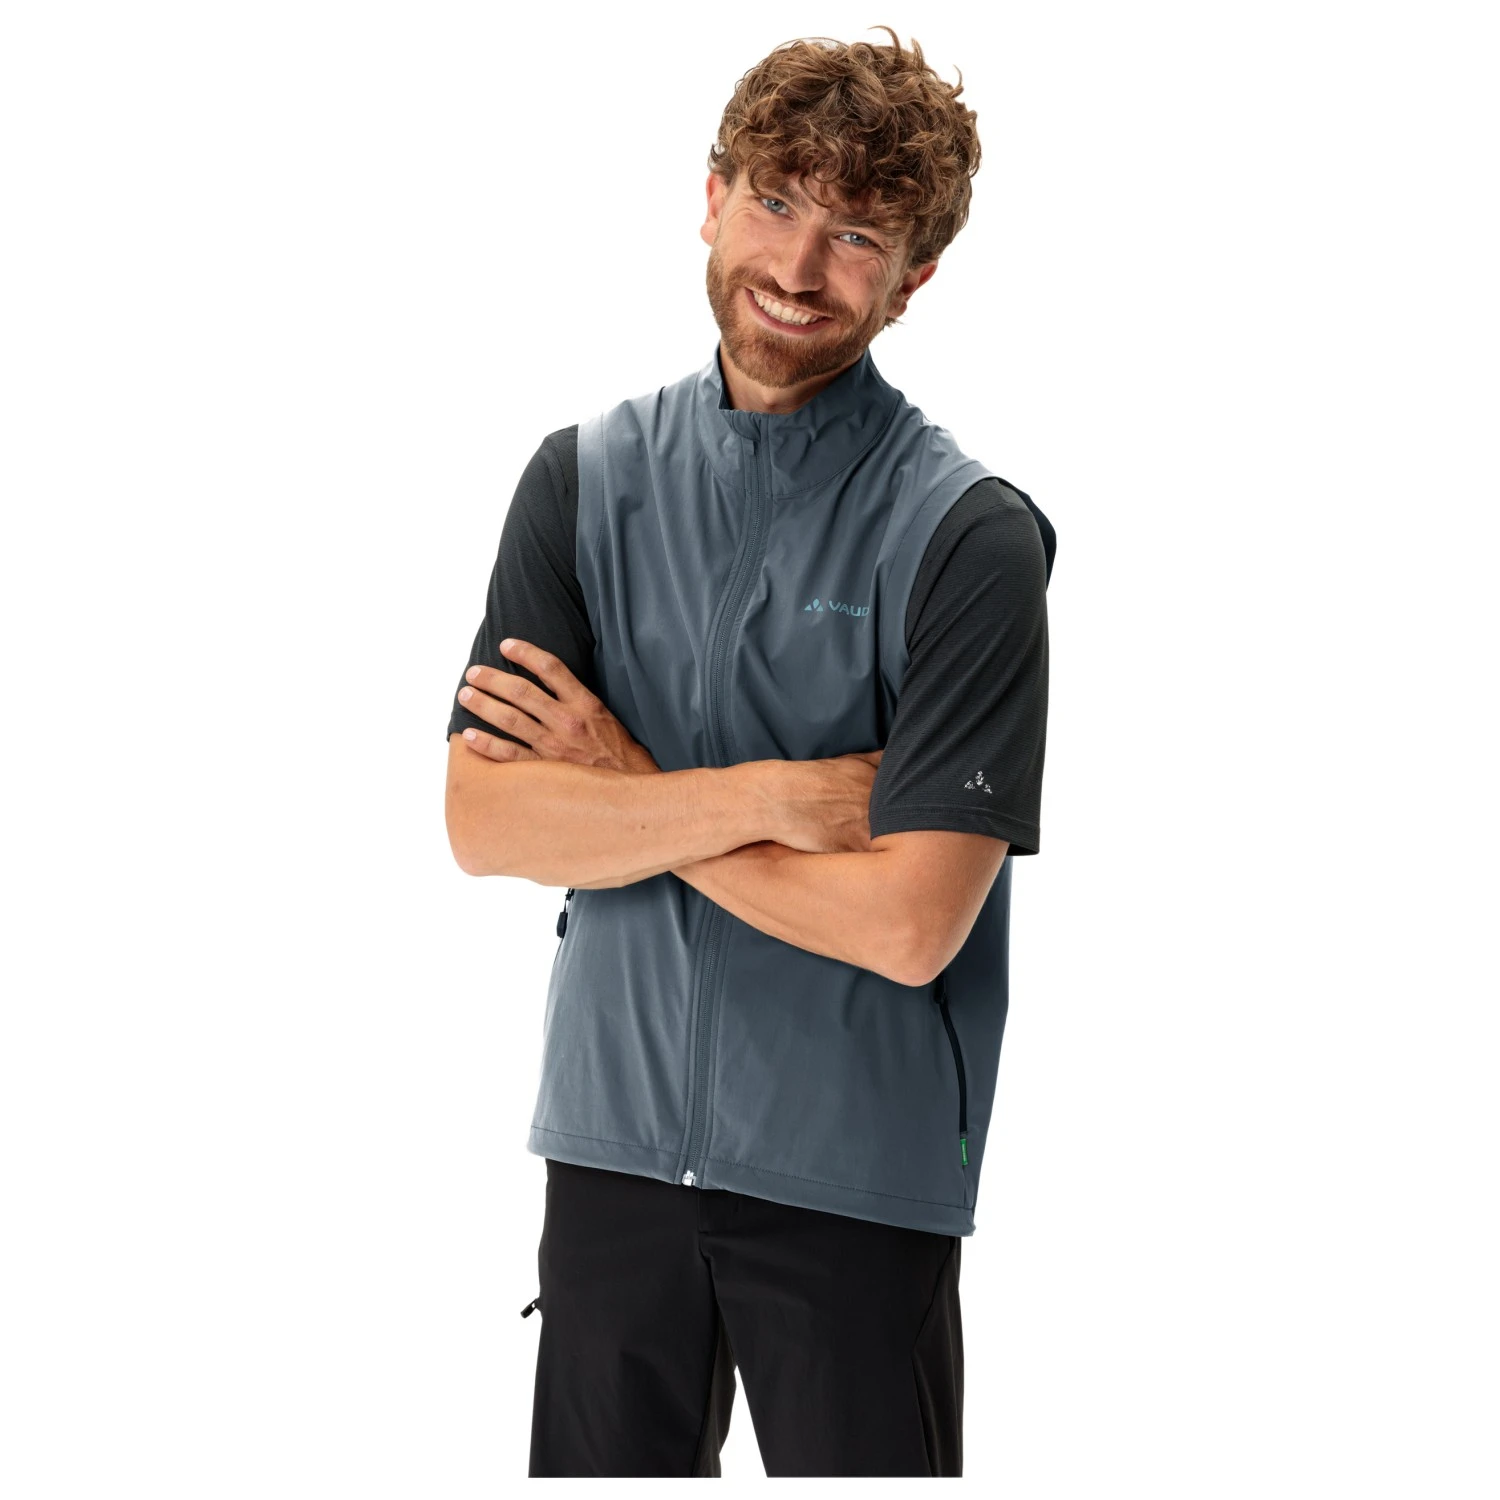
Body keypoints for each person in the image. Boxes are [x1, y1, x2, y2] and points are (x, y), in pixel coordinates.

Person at [443, 28, 1055, 1478]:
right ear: (710, 198)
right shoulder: (581, 482)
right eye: (776, 202)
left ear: (914, 277)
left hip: (858, 1177)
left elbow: (908, 925)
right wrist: (779, 799)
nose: (798, 264)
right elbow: (484, 822)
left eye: (857, 235)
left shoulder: (967, 538)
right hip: (609, 1151)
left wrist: (623, 796)